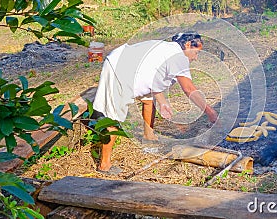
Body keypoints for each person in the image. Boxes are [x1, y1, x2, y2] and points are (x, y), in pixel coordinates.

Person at [93, 32, 219, 174]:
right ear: (188, 45)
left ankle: (149, 136)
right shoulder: (178, 56)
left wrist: (162, 102)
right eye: (196, 52)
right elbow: (189, 89)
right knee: (114, 118)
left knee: (148, 101)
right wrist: (210, 112)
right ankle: (104, 165)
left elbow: (152, 77)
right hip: (118, 69)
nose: (195, 58)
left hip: (129, 66)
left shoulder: (169, 50)